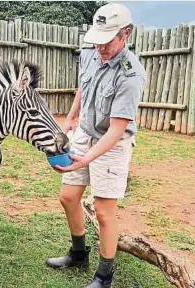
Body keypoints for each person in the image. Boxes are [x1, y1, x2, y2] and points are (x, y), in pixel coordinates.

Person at [45, 3, 146, 288]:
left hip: (113, 144)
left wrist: (86, 158)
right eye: (97, 39)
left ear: (125, 34)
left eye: (107, 40)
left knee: (104, 212)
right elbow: (83, 87)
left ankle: (105, 276)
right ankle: (78, 254)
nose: (100, 47)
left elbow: (116, 130)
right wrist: (71, 118)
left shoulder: (130, 74)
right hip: (85, 133)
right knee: (67, 197)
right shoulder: (91, 52)